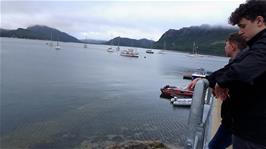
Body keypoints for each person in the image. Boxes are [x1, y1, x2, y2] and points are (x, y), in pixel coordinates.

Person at [214, 0, 266, 148]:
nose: (240, 32)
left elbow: (243, 71)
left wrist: (221, 82)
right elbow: (232, 67)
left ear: (259, 21)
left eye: (243, 26)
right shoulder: (254, 46)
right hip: (247, 129)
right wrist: (210, 79)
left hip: (255, 134)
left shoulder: (262, 46)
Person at [186, 33, 247, 149]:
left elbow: (225, 74)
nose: (225, 47)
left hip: (235, 121)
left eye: (226, 44)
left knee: (213, 147)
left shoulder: (240, 63)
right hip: (236, 120)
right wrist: (210, 80)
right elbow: (224, 72)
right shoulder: (239, 62)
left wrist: (210, 81)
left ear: (233, 46)